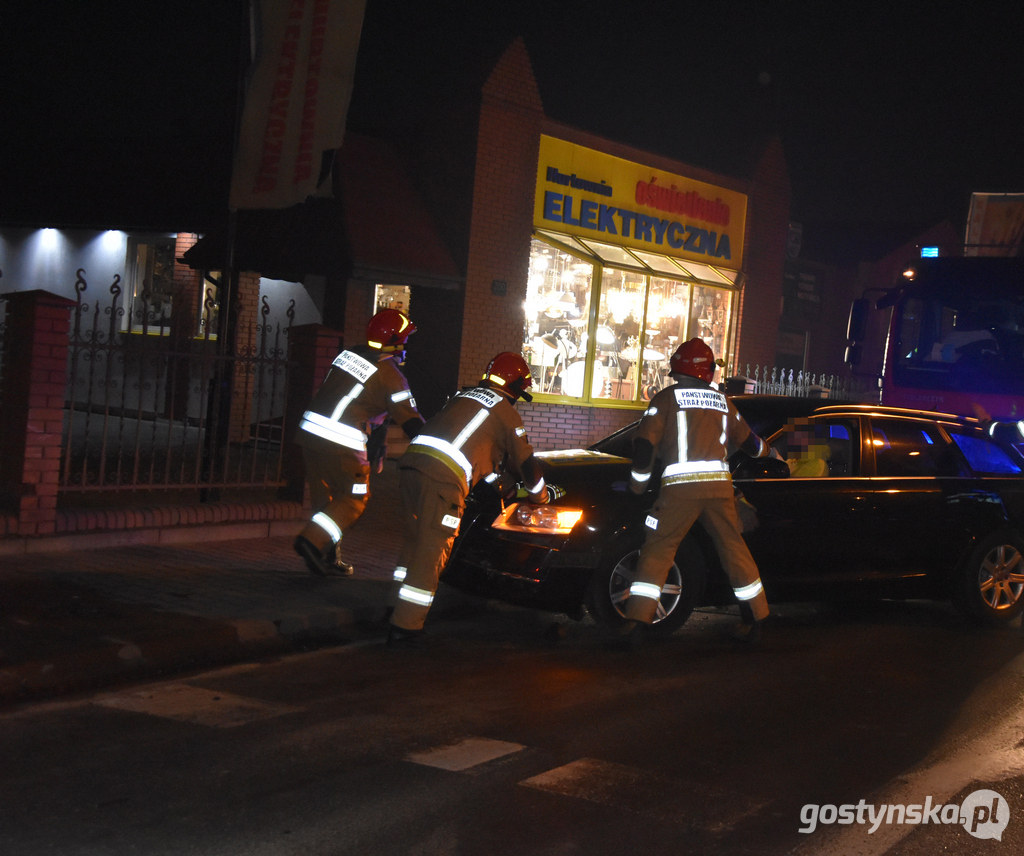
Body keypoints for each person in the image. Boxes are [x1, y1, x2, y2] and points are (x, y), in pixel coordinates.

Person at [387, 352, 549, 644]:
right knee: (432, 551)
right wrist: (540, 497)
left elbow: (477, 452)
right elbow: (527, 463)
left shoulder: (463, 397)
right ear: (514, 387)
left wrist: (496, 486)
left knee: (414, 541)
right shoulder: (505, 412)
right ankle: (406, 627)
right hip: (443, 480)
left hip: (411, 466)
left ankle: (393, 608)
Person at [623, 338, 772, 646]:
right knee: (734, 550)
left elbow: (644, 446)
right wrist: (769, 450)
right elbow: (752, 445)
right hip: (719, 492)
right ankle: (757, 620)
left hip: (679, 492)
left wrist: (637, 485)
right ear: (708, 371)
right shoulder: (722, 401)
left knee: (659, 550)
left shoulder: (665, 400)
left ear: (677, 367)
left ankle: (636, 624)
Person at [293, 309, 425, 577]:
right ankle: (309, 541)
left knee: (326, 499)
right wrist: (431, 442)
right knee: (354, 498)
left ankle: (327, 555)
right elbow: (410, 422)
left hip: (309, 435)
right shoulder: (390, 375)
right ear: (395, 341)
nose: (406, 347)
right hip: (342, 442)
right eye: (405, 340)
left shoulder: (348, 355)